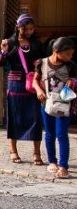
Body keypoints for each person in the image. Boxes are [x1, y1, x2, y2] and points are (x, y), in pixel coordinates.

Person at [0, 13, 47, 165]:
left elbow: (44, 61)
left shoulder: (37, 44)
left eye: (32, 29)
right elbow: (1, 63)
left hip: (33, 84)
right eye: (27, 29)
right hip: (16, 84)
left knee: (36, 118)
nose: (30, 31)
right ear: (19, 28)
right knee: (14, 116)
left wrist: (39, 66)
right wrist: (4, 52)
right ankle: (13, 150)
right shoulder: (10, 43)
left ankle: (37, 153)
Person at [32, 36, 75, 179]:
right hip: (47, 103)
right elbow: (35, 81)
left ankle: (63, 166)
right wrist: (39, 90)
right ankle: (52, 161)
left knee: (62, 134)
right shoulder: (42, 63)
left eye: (72, 53)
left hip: (64, 105)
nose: (71, 56)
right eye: (68, 53)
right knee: (50, 133)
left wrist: (72, 81)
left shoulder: (71, 66)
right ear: (57, 51)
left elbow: (75, 80)